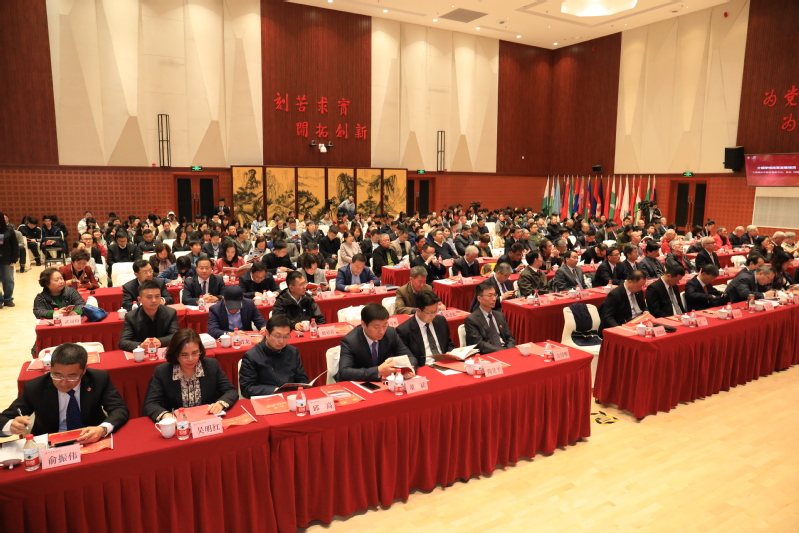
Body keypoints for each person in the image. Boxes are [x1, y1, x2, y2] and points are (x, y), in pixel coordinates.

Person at [0, 343, 129, 440]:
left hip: (91, 437)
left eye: (72, 376)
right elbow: (4, 418)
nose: (63, 382)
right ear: (50, 368)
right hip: (51, 442)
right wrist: (11, 426)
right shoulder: (35, 387)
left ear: (84, 371)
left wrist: (102, 429)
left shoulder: (98, 379)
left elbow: (119, 409)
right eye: (57, 375)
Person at [142, 329, 237, 422]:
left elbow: (230, 391)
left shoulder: (211, 366)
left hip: (206, 421)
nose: (191, 359)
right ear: (175, 354)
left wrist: (220, 404)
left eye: (195, 353)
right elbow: (151, 404)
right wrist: (166, 416)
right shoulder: (163, 371)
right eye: (184, 355)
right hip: (179, 424)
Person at [335, 303, 416, 382]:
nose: (382, 331)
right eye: (376, 327)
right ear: (363, 324)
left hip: (384, 381)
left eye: (384, 325)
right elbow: (344, 372)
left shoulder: (390, 333)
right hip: (359, 382)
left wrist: (409, 370)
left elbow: (410, 357)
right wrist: (377, 371)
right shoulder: (350, 341)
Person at [238, 315, 309, 398]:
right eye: (277, 336)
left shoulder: (293, 352)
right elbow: (247, 388)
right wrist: (275, 390)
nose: (281, 341)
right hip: (266, 399)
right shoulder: (251, 356)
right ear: (267, 334)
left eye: (286, 337)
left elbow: (302, 379)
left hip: (291, 397)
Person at [396, 291, 455, 368]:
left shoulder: (441, 321)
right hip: (423, 367)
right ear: (418, 311)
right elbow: (408, 358)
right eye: (430, 312)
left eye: (436, 311)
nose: (433, 315)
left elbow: (448, 343)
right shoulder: (404, 330)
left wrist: (449, 352)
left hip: (445, 364)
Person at [119, 280, 179, 351]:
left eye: (157, 296)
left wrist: (160, 341)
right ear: (139, 299)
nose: (154, 300)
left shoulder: (170, 313)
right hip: (143, 353)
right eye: (149, 297)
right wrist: (141, 345)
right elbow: (123, 342)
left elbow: (176, 335)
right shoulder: (131, 317)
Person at [465, 281, 517, 354]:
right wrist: (502, 352)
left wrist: (509, 350)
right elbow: (479, 344)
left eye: (495, 295)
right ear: (479, 298)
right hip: (489, 354)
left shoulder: (499, 315)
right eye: (490, 296)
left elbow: (509, 337)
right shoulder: (472, 320)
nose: (494, 299)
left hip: (506, 350)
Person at [598, 270, 648, 336]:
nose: (641, 288)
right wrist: (619, 329)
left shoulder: (639, 291)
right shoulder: (615, 294)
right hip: (623, 324)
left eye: (642, 286)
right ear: (630, 282)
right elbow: (608, 317)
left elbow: (643, 306)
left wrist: (646, 312)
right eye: (639, 286)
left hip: (639, 323)